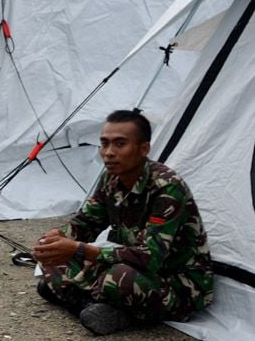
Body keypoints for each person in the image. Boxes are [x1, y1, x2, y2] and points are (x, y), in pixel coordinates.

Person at [32, 110, 214, 335]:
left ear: (143, 149)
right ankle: (93, 307)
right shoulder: (112, 177)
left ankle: (78, 297)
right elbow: (87, 222)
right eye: (104, 144)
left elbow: (150, 257)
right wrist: (57, 237)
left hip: (177, 283)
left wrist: (79, 249)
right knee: (53, 254)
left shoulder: (167, 188)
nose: (108, 153)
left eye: (120, 144)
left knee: (119, 277)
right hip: (133, 266)